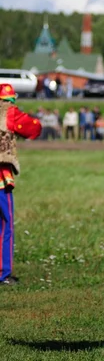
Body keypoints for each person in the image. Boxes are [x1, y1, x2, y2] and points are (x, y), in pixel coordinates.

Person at [0, 84, 41, 286]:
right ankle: (3, 274)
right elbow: (34, 128)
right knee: (5, 225)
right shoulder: (9, 112)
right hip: (1, 178)